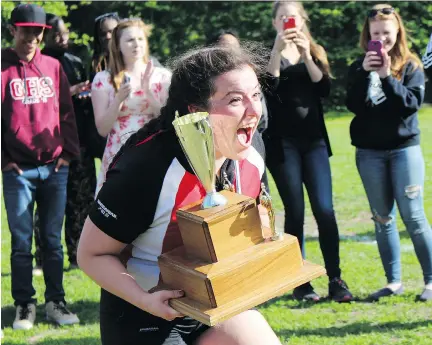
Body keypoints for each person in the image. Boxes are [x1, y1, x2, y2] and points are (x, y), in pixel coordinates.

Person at [77, 44, 282, 345]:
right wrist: (145, 300)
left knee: (256, 334)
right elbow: (91, 254)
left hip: (217, 305)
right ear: (196, 111)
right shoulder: (147, 167)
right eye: (235, 100)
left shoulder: (253, 153)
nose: (253, 111)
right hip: (144, 312)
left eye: (255, 95)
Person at [264, 1, 352, 302]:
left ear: (303, 21)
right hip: (282, 144)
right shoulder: (268, 54)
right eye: (282, 18)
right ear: (275, 23)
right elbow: (268, 88)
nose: (288, 22)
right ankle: (301, 282)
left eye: (293, 17)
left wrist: (305, 55)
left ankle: (336, 278)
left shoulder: (315, 50)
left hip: (314, 141)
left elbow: (324, 89)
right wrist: (277, 51)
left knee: (325, 210)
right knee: (296, 212)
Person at [1, 4, 80, 330]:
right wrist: (5, 161)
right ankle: (24, 305)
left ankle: (56, 302)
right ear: (12, 31)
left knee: (52, 240)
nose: (31, 37)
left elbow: (66, 112)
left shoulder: (52, 66)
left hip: (53, 168)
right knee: (21, 243)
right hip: (18, 170)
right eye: (25, 30)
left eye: (37, 32)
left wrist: (67, 156)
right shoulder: (2, 67)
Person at [346, 4, 432, 302]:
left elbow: (409, 105)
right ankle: (393, 282)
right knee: (382, 218)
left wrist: (385, 76)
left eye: (387, 33)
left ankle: (431, 282)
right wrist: (365, 75)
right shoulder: (359, 66)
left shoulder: (411, 66)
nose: (381, 39)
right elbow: (353, 106)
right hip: (369, 153)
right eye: (376, 33)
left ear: (398, 32)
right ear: (367, 35)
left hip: (403, 151)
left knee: (414, 216)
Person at [31, 14, 97, 272]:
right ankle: (42, 258)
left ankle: (76, 254)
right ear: (45, 35)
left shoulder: (75, 62)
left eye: (65, 33)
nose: (62, 38)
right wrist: (68, 93)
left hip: (78, 141)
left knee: (81, 201)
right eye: (56, 34)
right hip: (48, 143)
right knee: (46, 203)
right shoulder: (40, 63)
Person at [91, 18, 171, 194]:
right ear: (118, 45)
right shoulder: (103, 80)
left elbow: (168, 120)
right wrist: (118, 100)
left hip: (153, 150)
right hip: (119, 152)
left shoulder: (162, 76)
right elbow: (102, 129)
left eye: (140, 39)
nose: (137, 44)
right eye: (130, 40)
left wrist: (148, 92)